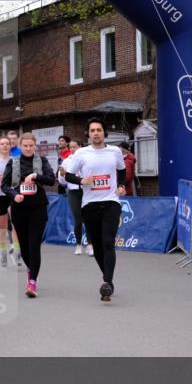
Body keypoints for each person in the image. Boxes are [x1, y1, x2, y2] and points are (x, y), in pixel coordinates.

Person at [64, 118, 126, 301]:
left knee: (108, 242)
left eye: (99, 130)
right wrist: (81, 181)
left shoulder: (114, 151)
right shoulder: (82, 153)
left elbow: (121, 171)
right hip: (89, 205)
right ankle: (107, 278)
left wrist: (121, 185)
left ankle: (107, 281)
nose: (96, 133)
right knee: (97, 246)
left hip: (111, 202)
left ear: (104, 132)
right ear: (88, 134)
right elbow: (68, 175)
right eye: (92, 130)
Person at [1, 133, 57, 298]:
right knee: (24, 246)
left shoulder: (42, 161)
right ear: (20, 146)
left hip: (38, 208)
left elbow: (51, 180)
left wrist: (36, 176)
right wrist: (13, 195)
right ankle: (31, 268)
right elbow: (4, 185)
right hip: (19, 207)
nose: (28, 148)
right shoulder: (14, 162)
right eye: (24, 145)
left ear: (35, 146)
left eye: (31, 145)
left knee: (34, 245)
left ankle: (32, 282)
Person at [0, 137, 20, 267]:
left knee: (15, 225)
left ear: (10, 146)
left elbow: (19, 178)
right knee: (2, 228)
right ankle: (3, 250)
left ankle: (17, 251)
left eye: (7, 144)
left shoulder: (16, 161)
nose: (5, 146)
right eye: (2, 144)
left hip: (11, 194)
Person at [59, 146, 91, 256]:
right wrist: (62, 175)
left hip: (87, 191)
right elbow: (62, 181)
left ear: (80, 147)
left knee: (88, 219)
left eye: (75, 147)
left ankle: (90, 245)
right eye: (71, 147)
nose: (73, 149)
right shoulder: (67, 161)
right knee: (78, 219)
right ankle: (78, 244)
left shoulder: (87, 159)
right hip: (73, 193)